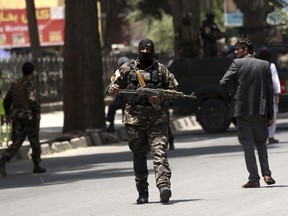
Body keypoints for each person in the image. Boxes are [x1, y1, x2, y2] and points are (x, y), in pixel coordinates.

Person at [106, 38, 178, 204]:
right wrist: (113, 89)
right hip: (134, 121)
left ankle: (163, 186)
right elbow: (109, 88)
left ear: (153, 52)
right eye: (143, 51)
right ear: (138, 51)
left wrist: (159, 98)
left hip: (157, 119)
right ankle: (142, 192)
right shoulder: (126, 69)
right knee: (139, 156)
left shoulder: (162, 70)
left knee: (159, 152)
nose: (146, 54)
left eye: (149, 52)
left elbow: (174, 93)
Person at [219, 38, 276, 188]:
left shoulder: (237, 64)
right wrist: (270, 115)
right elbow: (269, 92)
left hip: (242, 110)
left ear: (245, 50)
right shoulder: (264, 65)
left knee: (248, 144)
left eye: (237, 49)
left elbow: (223, 82)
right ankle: (267, 174)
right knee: (261, 142)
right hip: (260, 109)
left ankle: (254, 178)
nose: (235, 52)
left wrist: (231, 98)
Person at [0, 62, 46, 177]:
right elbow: (32, 100)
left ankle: (3, 160)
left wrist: (8, 113)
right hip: (28, 117)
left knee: (17, 141)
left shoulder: (15, 83)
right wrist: (37, 112)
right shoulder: (29, 84)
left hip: (16, 116)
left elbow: (7, 99)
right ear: (32, 71)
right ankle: (36, 165)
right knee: (34, 140)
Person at [258, 47, 281, 144]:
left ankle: (261, 136)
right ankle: (270, 136)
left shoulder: (256, 65)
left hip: (258, 94)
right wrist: (277, 93)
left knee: (260, 115)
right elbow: (275, 81)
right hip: (269, 94)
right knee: (272, 114)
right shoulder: (271, 65)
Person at [106, 56, 130, 132]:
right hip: (121, 98)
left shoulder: (134, 72)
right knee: (112, 106)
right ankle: (110, 125)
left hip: (131, 99)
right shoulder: (117, 73)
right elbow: (111, 84)